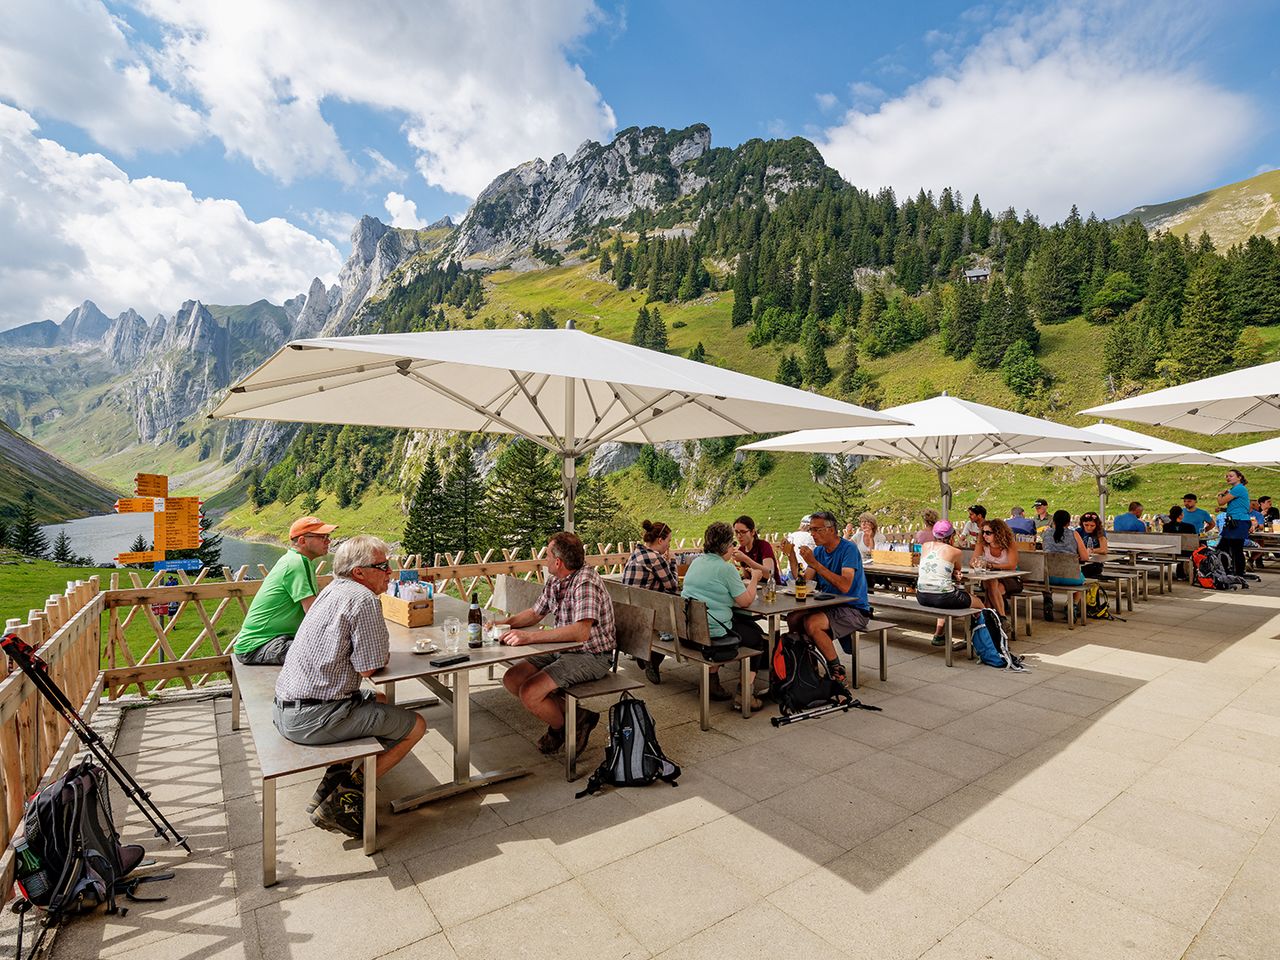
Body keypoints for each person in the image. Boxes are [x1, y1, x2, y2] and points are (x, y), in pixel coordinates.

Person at [273, 535, 427, 839]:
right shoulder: (364, 599)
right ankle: (343, 800)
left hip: (289, 705)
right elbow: (369, 666)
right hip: (315, 715)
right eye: (383, 566)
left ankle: (330, 785)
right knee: (416, 726)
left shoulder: (332, 590)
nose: (390, 573)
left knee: (381, 698)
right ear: (359, 572)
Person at [499, 532, 616, 755]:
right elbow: (535, 613)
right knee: (513, 678)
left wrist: (530, 637)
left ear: (558, 562)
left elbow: (581, 633)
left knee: (530, 692)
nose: (544, 559)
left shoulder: (585, 583)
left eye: (547, 554)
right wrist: (504, 624)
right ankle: (579, 718)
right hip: (563, 649)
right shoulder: (557, 579)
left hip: (592, 655)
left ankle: (560, 729)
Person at [780, 510, 873, 681]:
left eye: (817, 530)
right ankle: (808, 665)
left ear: (831, 530)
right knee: (793, 618)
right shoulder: (819, 552)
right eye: (811, 530)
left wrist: (815, 564)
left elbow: (845, 585)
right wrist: (791, 555)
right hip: (828, 606)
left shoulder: (848, 549)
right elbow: (804, 581)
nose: (812, 534)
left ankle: (836, 671)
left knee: (811, 623)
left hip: (854, 608)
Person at [683, 521, 766, 710]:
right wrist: (754, 579)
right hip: (713, 632)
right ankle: (744, 693)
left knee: (745, 626)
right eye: (732, 544)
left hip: (691, 628)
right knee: (756, 638)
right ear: (726, 546)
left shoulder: (697, 562)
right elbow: (745, 601)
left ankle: (711, 684)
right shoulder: (726, 568)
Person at [234, 516, 336, 666]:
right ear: (302, 541)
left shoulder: (293, 560)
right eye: (322, 537)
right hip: (259, 646)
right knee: (329, 651)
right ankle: (347, 690)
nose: (328, 541)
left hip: (272, 640)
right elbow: (313, 612)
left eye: (328, 536)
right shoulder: (298, 563)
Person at [621, 519, 679, 684]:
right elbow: (673, 586)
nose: (669, 545)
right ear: (660, 540)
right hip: (646, 616)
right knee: (670, 618)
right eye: (668, 541)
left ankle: (643, 652)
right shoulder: (655, 558)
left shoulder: (636, 553)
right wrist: (672, 562)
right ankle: (651, 658)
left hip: (627, 613)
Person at [915, 520, 984, 646]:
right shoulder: (955, 551)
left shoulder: (925, 546)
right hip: (943, 597)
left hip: (922, 596)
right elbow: (957, 569)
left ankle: (939, 634)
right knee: (978, 603)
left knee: (942, 597)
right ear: (952, 535)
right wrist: (954, 572)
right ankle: (981, 638)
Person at [973, 517, 1021, 635]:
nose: (984, 535)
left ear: (998, 533)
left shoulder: (1009, 543)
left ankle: (984, 623)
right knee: (992, 583)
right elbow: (973, 560)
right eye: (983, 532)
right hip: (990, 578)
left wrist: (992, 566)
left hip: (1009, 579)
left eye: (988, 532)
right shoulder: (982, 543)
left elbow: (1012, 565)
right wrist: (978, 563)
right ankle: (1001, 619)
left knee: (991, 593)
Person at [1042, 509, 1091, 620]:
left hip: (1050, 578)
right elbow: (1085, 557)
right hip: (1071, 578)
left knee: (1044, 573)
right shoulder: (1074, 534)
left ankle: (1048, 598)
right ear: (1068, 523)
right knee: (1081, 580)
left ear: (1053, 521)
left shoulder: (1046, 534)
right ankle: (1072, 605)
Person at [1217, 469, 1251, 577]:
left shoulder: (1238, 488)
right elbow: (1238, 507)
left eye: (1231, 476)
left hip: (1238, 522)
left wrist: (1220, 494)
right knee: (1232, 548)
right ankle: (1235, 572)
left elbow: (1221, 502)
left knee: (1231, 548)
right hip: (1236, 520)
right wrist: (1223, 511)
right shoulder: (1236, 489)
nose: (1228, 478)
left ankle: (1236, 573)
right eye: (1227, 476)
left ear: (1239, 477)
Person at [733, 515, 778, 584]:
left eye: (743, 532)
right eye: (736, 532)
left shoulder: (764, 546)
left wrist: (745, 559)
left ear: (752, 532)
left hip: (773, 589)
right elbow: (747, 577)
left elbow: (769, 574)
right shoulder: (741, 550)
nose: (739, 536)